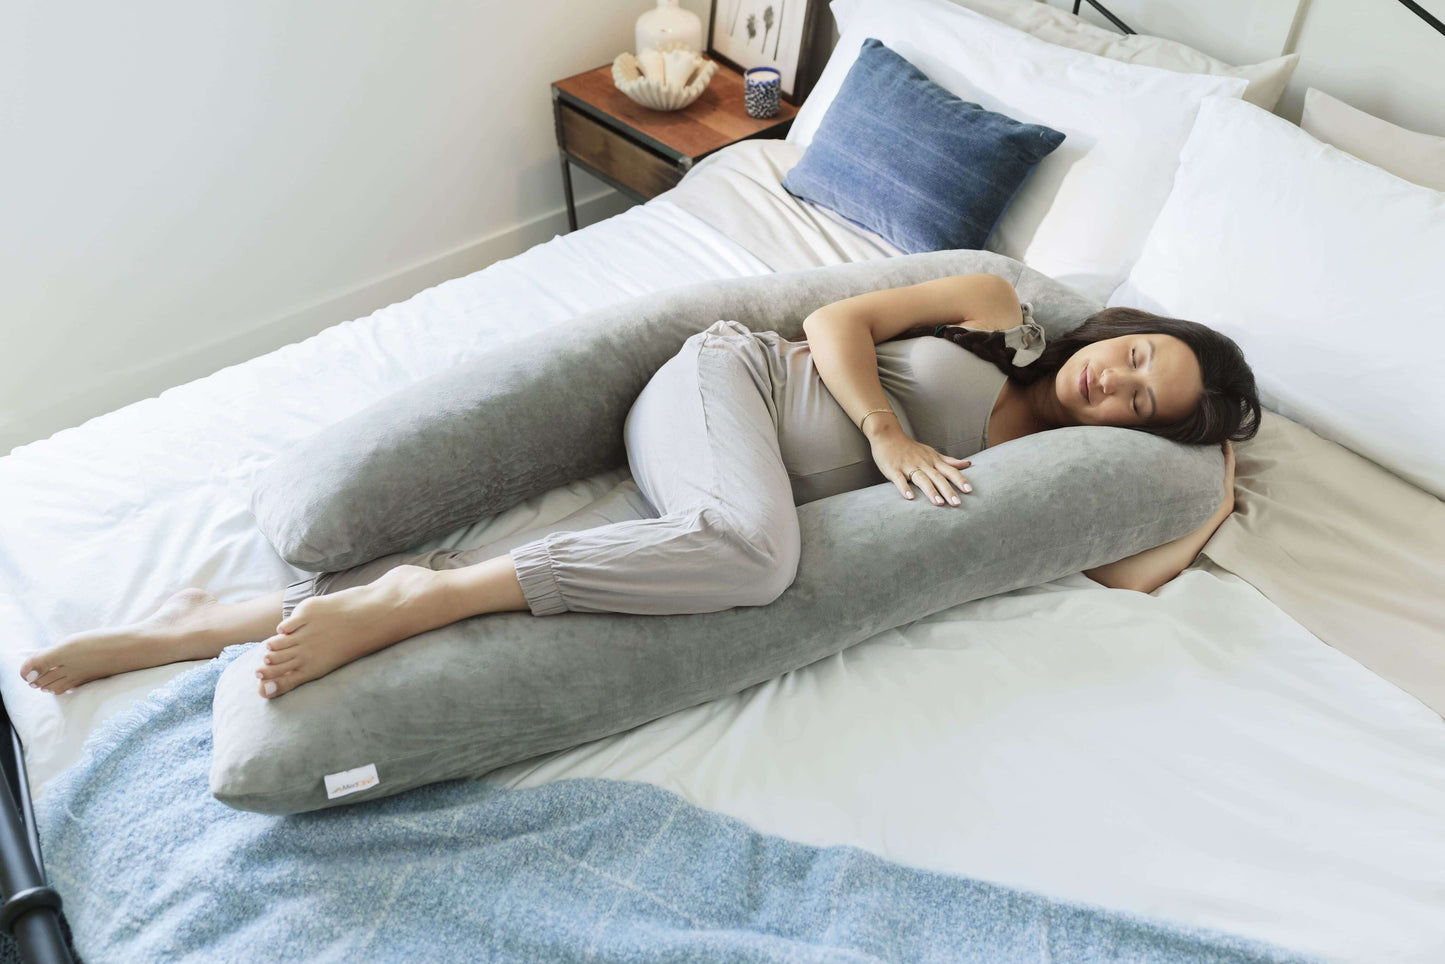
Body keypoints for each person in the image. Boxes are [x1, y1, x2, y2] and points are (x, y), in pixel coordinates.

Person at [18, 273, 1258, 701]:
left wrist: (1206, 493)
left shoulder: (1055, 460)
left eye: (1146, 401)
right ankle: (410, 598)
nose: (1119, 381)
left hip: (732, 489)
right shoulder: (1001, 312)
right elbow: (832, 317)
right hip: (727, 388)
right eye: (1138, 353)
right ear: (1125, 325)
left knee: (717, 551)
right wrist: (882, 432)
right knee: (758, 561)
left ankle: (210, 624)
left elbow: (1112, 569)